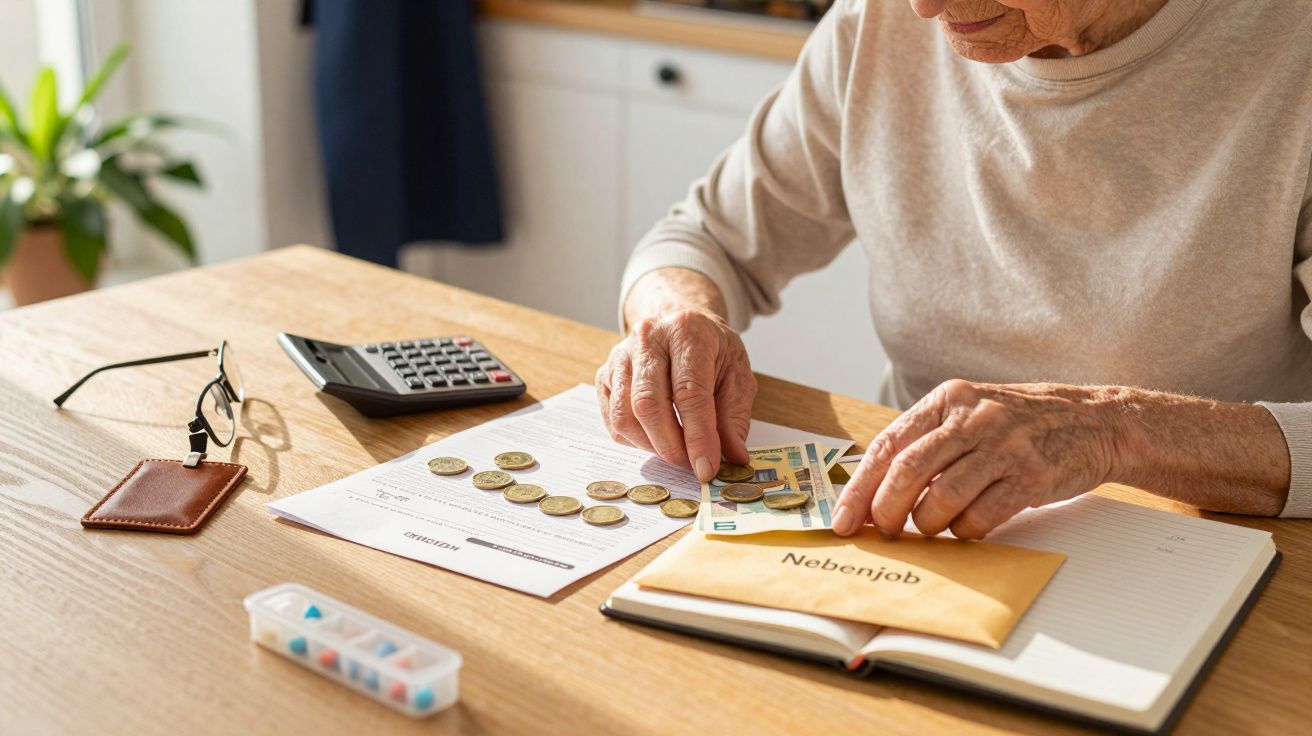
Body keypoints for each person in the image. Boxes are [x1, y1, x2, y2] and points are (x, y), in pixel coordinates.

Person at [594, 0, 1312, 539]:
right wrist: (675, 318)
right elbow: (701, 237)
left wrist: (1115, 432)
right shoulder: (875, 21)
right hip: (925, 528)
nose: (924, 8)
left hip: (1212, 545)